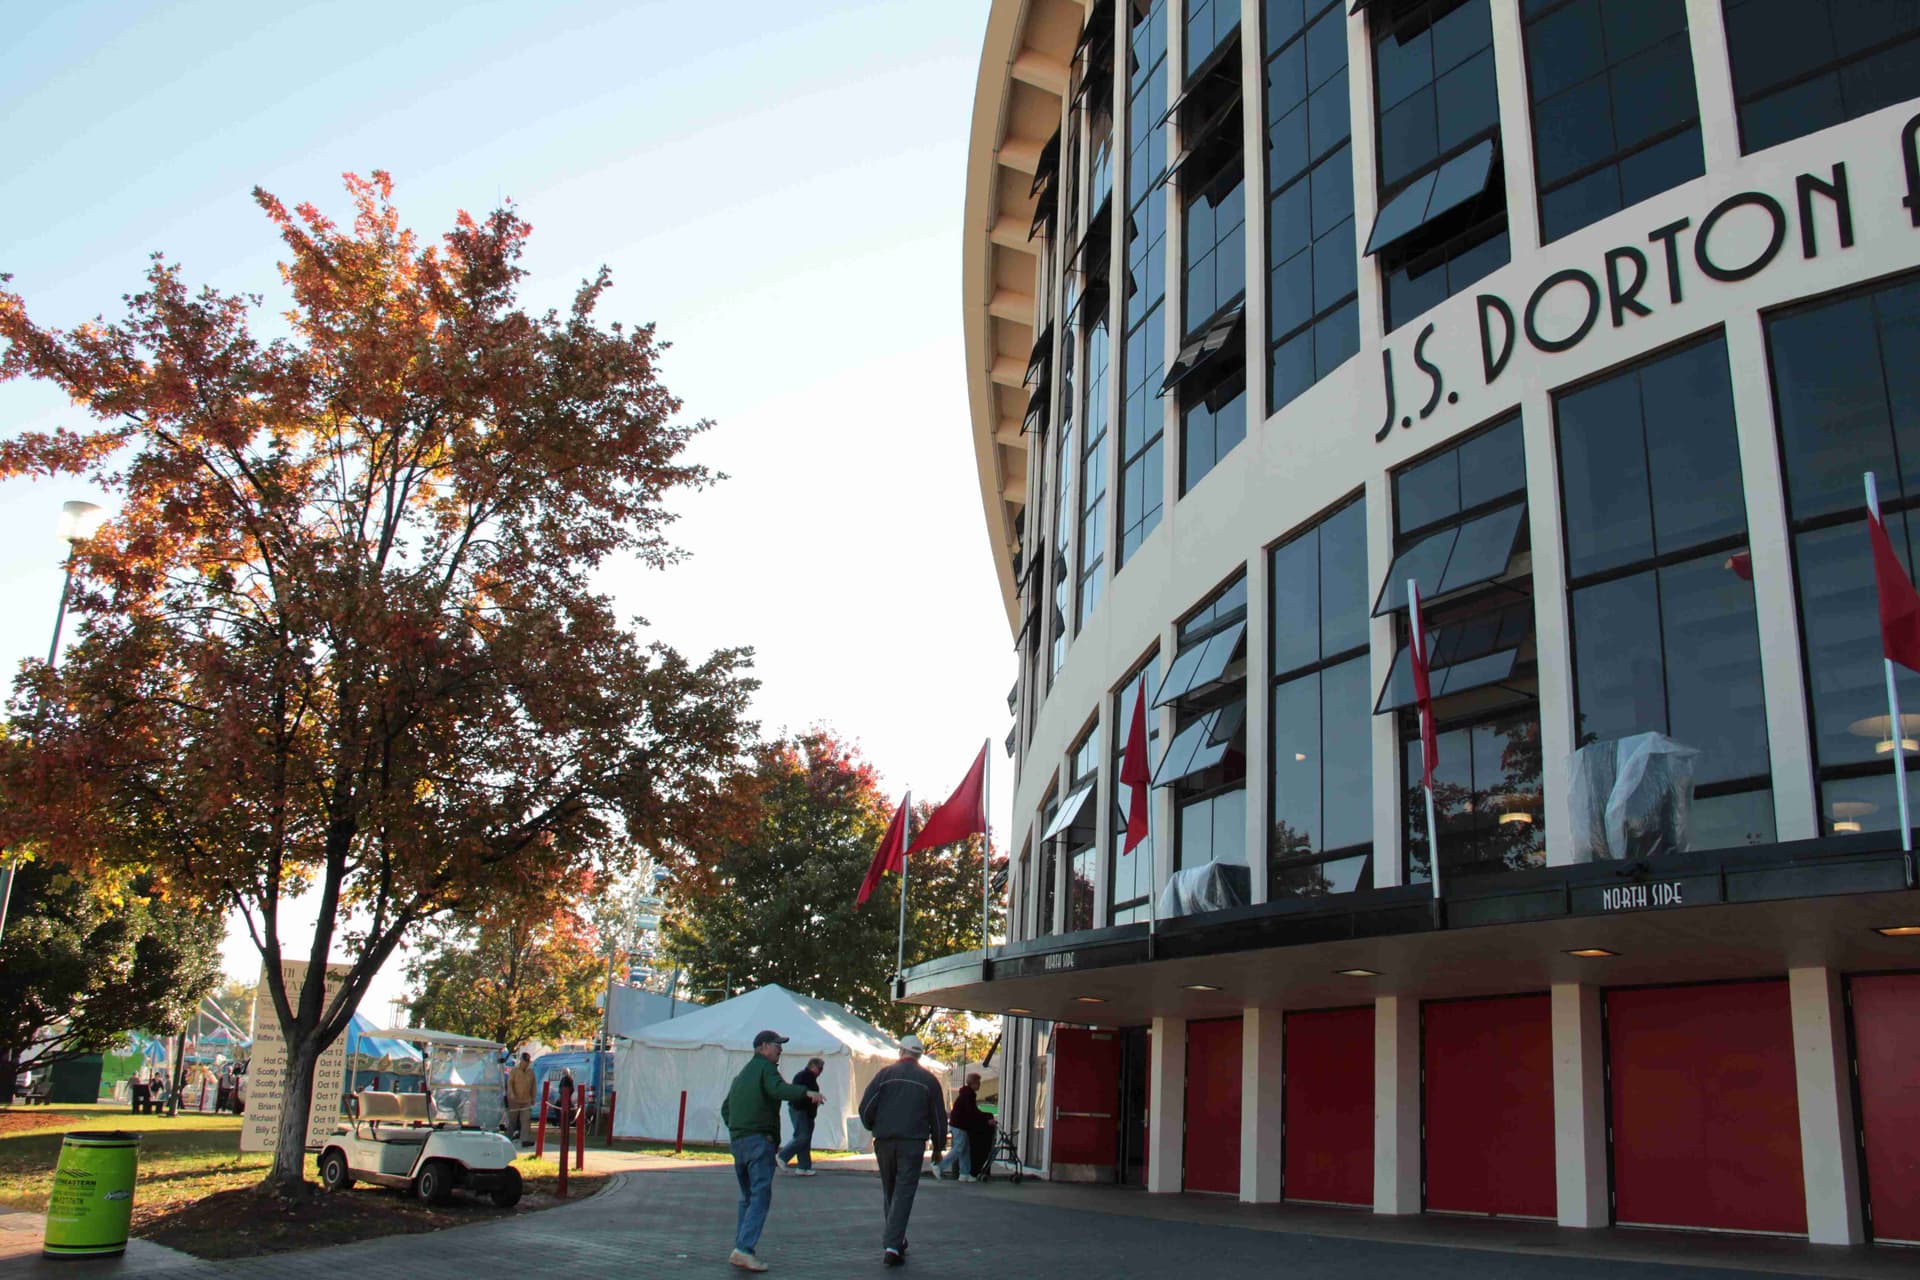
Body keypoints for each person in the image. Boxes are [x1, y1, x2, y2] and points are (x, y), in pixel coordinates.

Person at [721, 1029, 825, 1272]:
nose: (780, 1049)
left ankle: (741, 1246)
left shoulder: (743, 1074)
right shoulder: (766, 1070)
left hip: (739, 1141)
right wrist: (805, 1092)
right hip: (759, 1140)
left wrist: (738, 1129)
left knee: (747, 1196)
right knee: (760, 1195)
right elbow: (778, 1089)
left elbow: (726, 1108)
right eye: (777, 1044)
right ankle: (744, 1249)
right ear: (763, 1046)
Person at [857, 1034, 947, 1267]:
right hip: (913, 1143)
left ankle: (895, 1240)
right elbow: (938, 1118)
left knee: (890, 1190)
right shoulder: (929, 1081)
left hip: (884, 1141)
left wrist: (874, 1126)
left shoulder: (884, 1076)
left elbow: (866, 1107)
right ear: (919, 1055)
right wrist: (938, 1147)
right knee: (904, 1192)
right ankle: (893, 1245)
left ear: (901, 1052)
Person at [936, 1072, 990, 1182]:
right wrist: (986, 1118)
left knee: (965, 1149)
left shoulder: (966, 1093)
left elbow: (971, 1112)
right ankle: (939, 1166)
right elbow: (972, 1112)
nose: (980, 1085)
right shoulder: (968, 1095)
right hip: (959, 1125)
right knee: (960, 1147)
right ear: (974, 1083)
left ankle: (964, 1173)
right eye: (978, 1082)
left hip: (959, 1124)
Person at [777, 1057, 824, 1175]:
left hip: (807, 1112)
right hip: (799, 1110)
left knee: (805, 1138)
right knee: (802, 1136)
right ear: (812, 1066)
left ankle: (803, 1166)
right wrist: (810, 1099)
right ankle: (782, 1156)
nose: (821, 1071)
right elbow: (798, 1092)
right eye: (820, 1068)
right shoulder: (803, 1076)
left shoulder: (810, 1078)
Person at [505, 1052, 536, 1146]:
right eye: (525, 1061)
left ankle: (525, 1140)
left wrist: (533, 1097)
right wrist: (512, 1094)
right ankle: (507, 1139)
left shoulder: (531, 1072)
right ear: (521, 1060)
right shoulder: (514, 1071)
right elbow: (510, 1083)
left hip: (526, 1100)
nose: (526, 1063)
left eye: (528, 1062)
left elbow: (533, 1086)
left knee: (526, 1120)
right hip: (514, 1100)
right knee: (512, 1121)